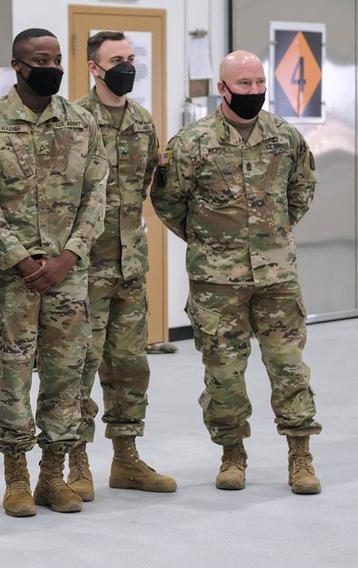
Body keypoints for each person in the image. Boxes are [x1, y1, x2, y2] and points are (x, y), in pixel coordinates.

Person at [151, 50, 321, 494]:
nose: (253, 91)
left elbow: (302, 189)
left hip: (277, 278)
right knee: (224, 373)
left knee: (289, 369)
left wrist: (273, 234)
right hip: (216, 283)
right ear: (222, 89)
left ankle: (300, 455)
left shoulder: (285, 138)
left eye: (259, 82)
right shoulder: (192, 143)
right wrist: (209, 242)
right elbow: (168, 201)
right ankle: (232, 454)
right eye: (243, 85)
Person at [0, 28, 107, 517]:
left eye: (58, 58)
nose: (52, 67)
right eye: (41, 59)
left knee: (67, 377)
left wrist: (68, 257)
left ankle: (53, 475)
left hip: (69, 276)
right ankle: (16, 476)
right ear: (18, 67)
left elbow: (96, 196)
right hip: (12, 281)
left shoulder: (82, 123)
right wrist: (23, 260)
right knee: (13, 376)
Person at [70, 31, 176, 501]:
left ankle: (126, 458)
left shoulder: (141, 121)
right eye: (117, 60)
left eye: (131, 59)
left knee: (130, 366)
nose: (127, 67)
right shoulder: (73, 120)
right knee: (78, 367)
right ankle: (74, 462)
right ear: (94, 67)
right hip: (84, 270)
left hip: (130, 266)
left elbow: (153, 187)